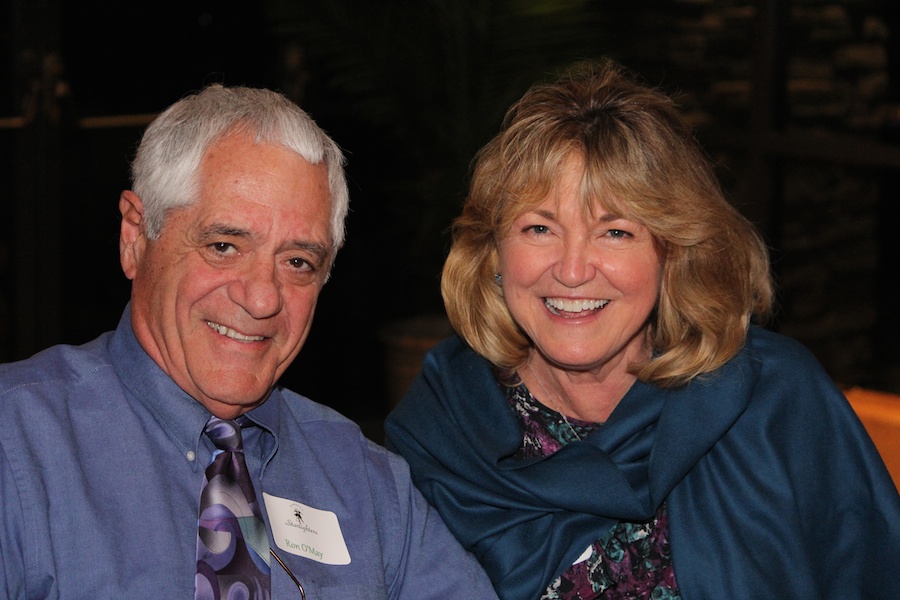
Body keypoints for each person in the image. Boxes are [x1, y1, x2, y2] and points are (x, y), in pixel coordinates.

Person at [384, 61, 900, 600]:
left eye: (615, 232)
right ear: (494, 252)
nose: (573, 270)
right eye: (539, 227)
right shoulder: (442, 435)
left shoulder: (774, 399)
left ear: (673, 255)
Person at [0, 84, 498, 599]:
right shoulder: (16, 446)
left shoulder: (367, 485)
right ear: (135, 237)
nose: (262, 298)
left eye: (297, 262)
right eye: (224, 246)